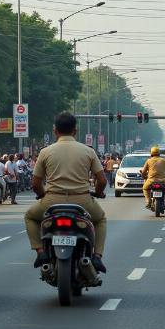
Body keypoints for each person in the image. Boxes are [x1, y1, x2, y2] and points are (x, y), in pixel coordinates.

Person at [24, 112, 107, 272]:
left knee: (30, 216)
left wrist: (42, 195)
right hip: (82, 200)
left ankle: (40, 251)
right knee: (100, 220)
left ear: (55, 131)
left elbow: (35, 183)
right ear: (75, 131)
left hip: (52, 201)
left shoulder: (45, 152)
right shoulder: (88, 151)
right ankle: (97, 256)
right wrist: (98, 192)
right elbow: (102, 180)